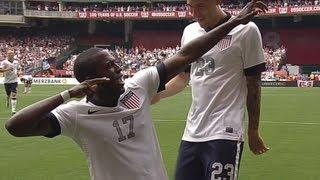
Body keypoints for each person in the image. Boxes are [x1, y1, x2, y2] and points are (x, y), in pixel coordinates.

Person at [5, 1, 267, 179]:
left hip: (225, 129)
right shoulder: (76, 114)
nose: (120, 70)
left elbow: (185, 56)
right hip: (195, 132)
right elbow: (15, 126)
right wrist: (69, 94)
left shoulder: (137, 87)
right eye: (111, 67)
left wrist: (236, 22)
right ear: (91, 81)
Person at [151, 0, 270, 179]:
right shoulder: (190, 32)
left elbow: (253, 84)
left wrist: (253, 130)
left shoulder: (246, 30)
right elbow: (183, 78)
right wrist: (158, 94)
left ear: (217, 1)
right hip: (192, 133)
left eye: (200, 6)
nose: (194, 12)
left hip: (225, 132)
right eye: (190, 6)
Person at [0, 50, 20, 114]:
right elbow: (0, 70)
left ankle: (13, 110)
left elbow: (19, 68)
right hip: (7, 81)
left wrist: (19, 72)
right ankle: (7, 99)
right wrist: (7, 69)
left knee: (14, 94)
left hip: (14, 80)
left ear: (13, 55)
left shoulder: (16, 62)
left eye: (11, 54)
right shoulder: (4, 62)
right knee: (8, 94)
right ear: (7, 55)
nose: (10, 55)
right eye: (9, 54)